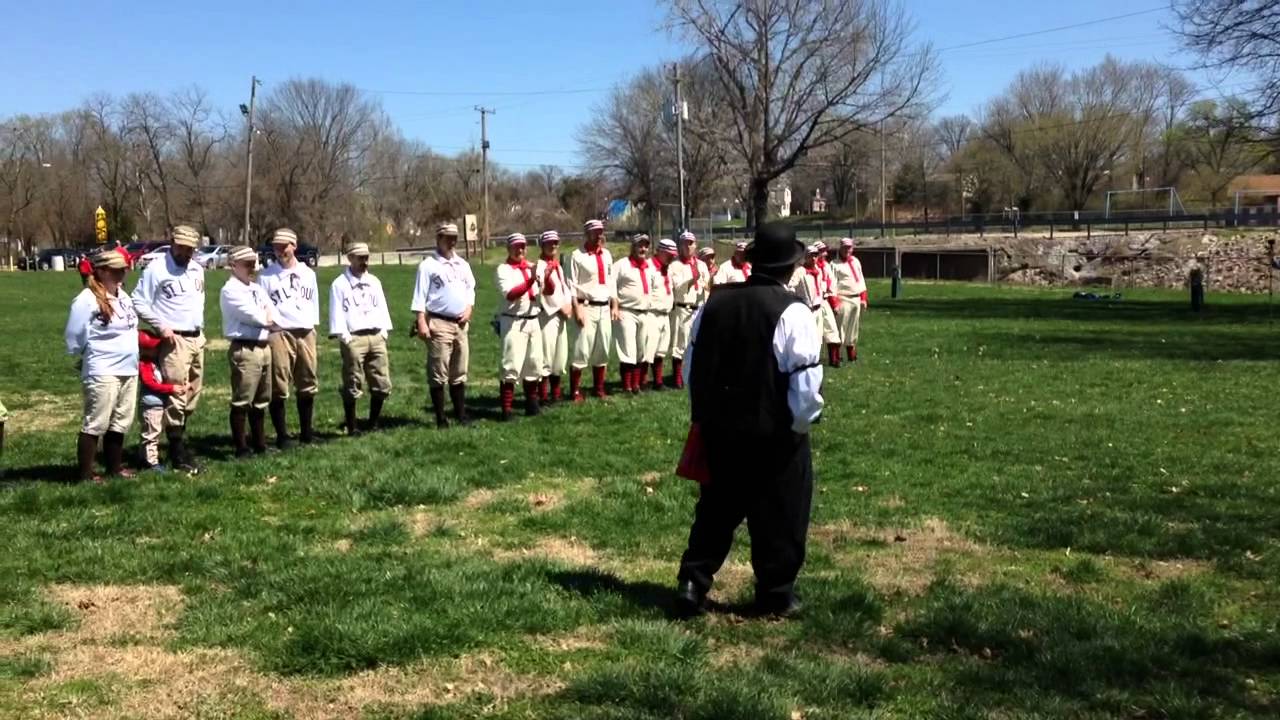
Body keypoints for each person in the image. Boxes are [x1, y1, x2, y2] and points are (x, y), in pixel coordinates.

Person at [675, 222, 824, 618]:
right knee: (781, 511)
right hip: (772, 431)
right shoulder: (794, 312)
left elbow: (691, 366)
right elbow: (805, 383)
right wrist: (801, 425)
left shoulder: (714, 304)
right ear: (791, 268)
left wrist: (706, 414)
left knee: (716, 508)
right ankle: (775, 592)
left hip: (720, 428)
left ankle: (693, 582)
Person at [131, 224, 205, 473]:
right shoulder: (157, 269)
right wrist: (160, 326)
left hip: (197, 337)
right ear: (173, 243)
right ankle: (176, 451)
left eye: (190, 248)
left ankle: (179, 441)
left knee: (192, 394)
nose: (186, 252)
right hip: (174, 339)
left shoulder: (196, 268)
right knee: (176, 396)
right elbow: (138, 300)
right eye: (182, 247)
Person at [64, 249, 140, 481]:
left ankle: (114, 468)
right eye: (116, 271)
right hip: (103, 370)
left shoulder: (123, 297)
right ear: (101, 271)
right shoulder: (86, 300)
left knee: (120, 421)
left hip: (129, 368)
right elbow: (74, 335)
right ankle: (86, 473)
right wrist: (88, 354)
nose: (121, 275)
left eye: (123, 270)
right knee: (96, 422)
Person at [259, 228, 321, 447]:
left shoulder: (308, 274)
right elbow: (263, 307)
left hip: (305, 331)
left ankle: (306, 433)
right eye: (276, 246)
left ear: (294, 246)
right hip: (280, 333)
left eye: (284, 246)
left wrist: (312, 327)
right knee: (279, 383)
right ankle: (282, 436)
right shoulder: (266, 276)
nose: (279, 250)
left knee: (308, 381)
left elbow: (314, 303)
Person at [411, 222, 477, 428]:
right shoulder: (428, 265)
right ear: (438, 239)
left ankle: (461, 414)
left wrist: (469, 309)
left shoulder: (462, 265)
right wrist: (421, 321)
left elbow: (471, 289)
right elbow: (420, 296)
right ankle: (441, 418)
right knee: (439, 372)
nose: (452, 241)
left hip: (460, 324)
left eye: (454, 237)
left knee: (459, 371)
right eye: (448, 237)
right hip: (438, 322)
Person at [329, 243, 393, 435]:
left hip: (376, 335)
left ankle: (373, 422)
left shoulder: (374, 281)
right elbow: (336, 313)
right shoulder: (339, 284)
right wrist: (345, 337)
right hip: (354, 337)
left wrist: (383, 332)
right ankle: (352, 425)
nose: (365, 262)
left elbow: (382, 306)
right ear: (350, 259)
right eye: (360, 258)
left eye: (366, 258)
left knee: (381, 382)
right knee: (353, 381)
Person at [220, 246, 276, 457]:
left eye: (253, 264)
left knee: (262, 399)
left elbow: (273, 311)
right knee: (243, 400)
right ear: (234, 266)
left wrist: (268, 316)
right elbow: (255, 316)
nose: (252, 268)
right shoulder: (230, 290)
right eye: (247, 264)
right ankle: (241, 446)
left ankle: (260, 443)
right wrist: (267, 317)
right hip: (245, 347)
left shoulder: (256, 288)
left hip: (263, 346)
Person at [495, 233, 545, 420]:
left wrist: (546, 277)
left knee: (534, 362)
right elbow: (510, 294)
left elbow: (548, 291)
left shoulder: (532, 267)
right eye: (516, 247)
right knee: (511, 363)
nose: (520, 250)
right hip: (513, 320)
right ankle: (506, 410)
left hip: (533, 318)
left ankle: (531, 404)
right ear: (509, 249)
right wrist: (530, 280)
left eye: (523, 246)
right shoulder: (504, 270)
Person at [568, 219, 617, 401]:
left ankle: (599, 388)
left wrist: (615, 304)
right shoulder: (577, 256)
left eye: (600, 232)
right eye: (594, 233)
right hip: (586, 306)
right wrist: (577, 308)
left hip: (604, 306)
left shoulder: (607, 255)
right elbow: (571, 284)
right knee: (582, 348)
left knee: (603, 347)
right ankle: (574, 391)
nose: (598, 236)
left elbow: (611, 282)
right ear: (587, 234)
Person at [612, 234, 656, 394]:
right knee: (628, 350)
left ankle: (636, 385)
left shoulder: (649, 267)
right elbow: (612, 286)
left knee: (640, 349)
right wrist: (615, 306)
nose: (643, 249)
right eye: (639, 245)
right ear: (633, 246)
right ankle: (627, 386)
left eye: (645, 246)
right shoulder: (622, 265)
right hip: (627, 311)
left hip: (644, 312)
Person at [137, 329, 186, 471]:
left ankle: (143, 457)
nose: (158, 349)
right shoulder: (144, 365)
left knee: (153, 431)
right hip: (150, 404)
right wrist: (170, 389)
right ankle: (150, 462)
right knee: (152, 433)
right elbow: (150, 383)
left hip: (158, 403)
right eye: (154, 348)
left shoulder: (155, 362)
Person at [667, 230, 710, 389]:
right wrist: (693, 279)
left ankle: (696, 374)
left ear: (695, 245)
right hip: (683, 307)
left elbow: (706, 284)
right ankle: (678, 378)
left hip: (699, 307)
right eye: (684, 243)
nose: (687, 246)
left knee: (699, 343)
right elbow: (677, 287)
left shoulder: (701, 264)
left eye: (690, 243)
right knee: (681, 344)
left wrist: (706, 286)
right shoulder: (675, 265)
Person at [534, 230, 572, 404]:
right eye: (549, 243)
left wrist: (568, 304)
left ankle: (555, 393)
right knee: (547, 355)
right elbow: (542, 292)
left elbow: (563, 288)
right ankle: (543, 395)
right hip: (548, 315)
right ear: (542, 246)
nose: (553, 246)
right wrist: (559, 307)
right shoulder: (540, 266)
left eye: (556, 243)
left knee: (560, 355)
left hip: (561, 315)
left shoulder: (557, 265)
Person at [645, 238, 678, 391]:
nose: (672, 258)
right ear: (661, 252)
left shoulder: (667, 269)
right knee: (648, 349)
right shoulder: (649, 267)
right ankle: (642, 382)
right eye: (669, 254)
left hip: (665, 313)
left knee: (661, 350)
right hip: (652, 312)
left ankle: (658, 382)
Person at [831, 238, 868, 362]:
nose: (847, 250)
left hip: (856, 298)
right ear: (840, 248)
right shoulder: (834, 264)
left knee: (854, 327)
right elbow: (832, 285)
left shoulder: (856, 261)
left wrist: (863, 298)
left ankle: (851, 353)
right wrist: (835, 302)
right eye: (845, 247)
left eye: (849, 247)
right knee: (841, 327)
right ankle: (838, 355)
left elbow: (861, 280)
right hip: (844, 298)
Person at [813, 240, 843, 367]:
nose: (824, 254)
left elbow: (831, 284)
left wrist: (834, 302)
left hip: (825, 301)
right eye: (821, 251)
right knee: (816, 332)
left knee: (832, 329)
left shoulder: (826, 266)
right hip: (814, 303)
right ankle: (814, 359)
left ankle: (834, 359)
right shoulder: (811, 268)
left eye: (825, 251)